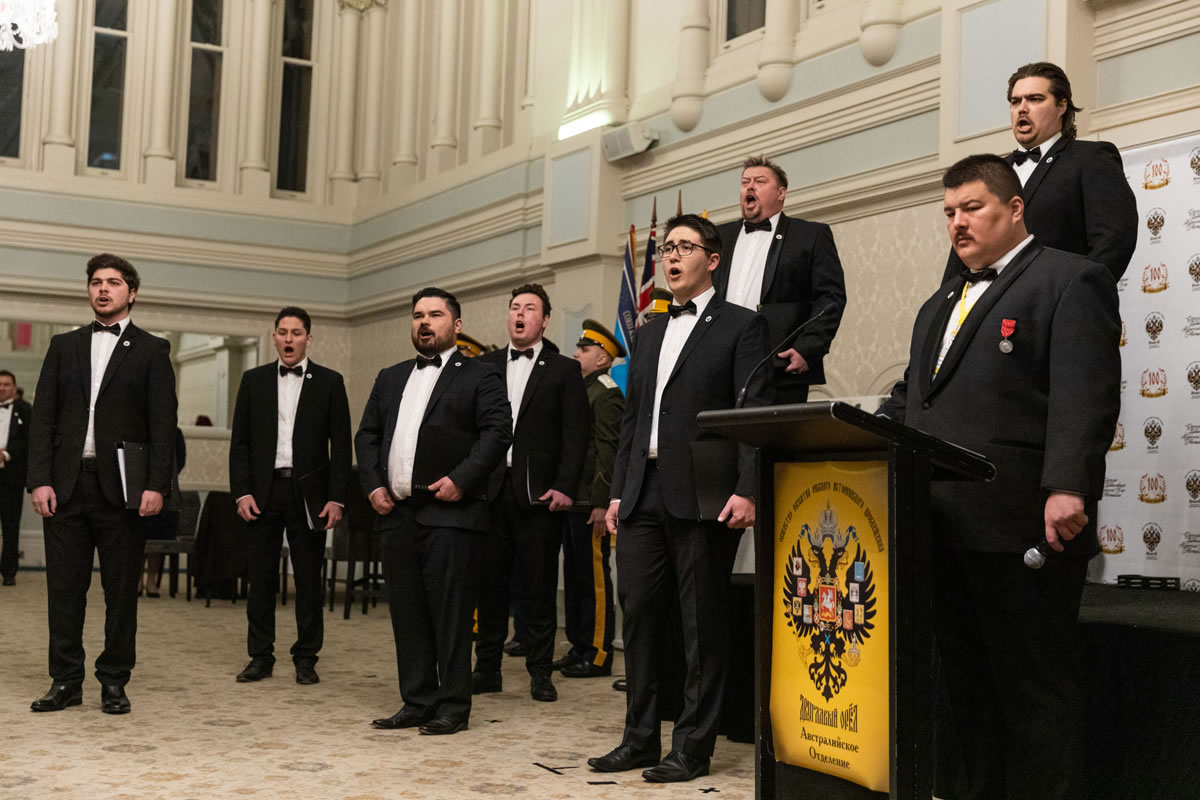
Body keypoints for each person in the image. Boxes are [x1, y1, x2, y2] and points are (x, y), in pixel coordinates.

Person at [879, 154, 1121, 799]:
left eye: (972, 208)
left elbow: (1085, 395)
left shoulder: (1071, 279)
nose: (957, 223)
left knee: (1033, 690)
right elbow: (914, 400)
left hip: (1022, 524)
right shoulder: (938, 303)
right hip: (941, 524)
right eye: (949, 212)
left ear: (1015, 208)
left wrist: (1068, 485)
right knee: (966, 687)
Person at [589, 214, 770, 783]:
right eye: (668, 247)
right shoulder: (646, 334)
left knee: (701, 624)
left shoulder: (742, 325)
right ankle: (639, 738)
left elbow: (751, 413)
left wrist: (748, 488)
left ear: (712, 260)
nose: (671, 256)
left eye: (684, 247)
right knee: (640, 617)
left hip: (702, 493)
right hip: (640, 493)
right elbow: (633, 422)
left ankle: (693, 746)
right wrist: (617, 495)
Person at [355, 287, 510, 735]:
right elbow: (367, 436)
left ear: (456, 325)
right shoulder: (390, 377)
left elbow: (498, 432)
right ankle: (417, 700)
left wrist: (461, 479)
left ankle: (453, 707)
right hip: (397, 513)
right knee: (407, 613)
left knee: (451, 616)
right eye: (418, 315)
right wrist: (373, 486)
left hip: (451, 514)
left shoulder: (480, 375)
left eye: (435, 315)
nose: (424, 322)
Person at [27, 254, 178, 714]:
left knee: (120, 593)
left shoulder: (152, 350)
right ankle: (65, 681)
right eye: (96, 282)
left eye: (113, 282)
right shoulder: (63, 345)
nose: (103, 289)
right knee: (64, 592)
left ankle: (114, 680)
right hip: (66, 487)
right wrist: (39, 480)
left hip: (124, 491)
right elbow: (43, 418)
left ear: (132, 292)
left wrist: (156, 485)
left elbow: (162, 424)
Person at [471, 283, 589, 703]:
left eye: (529, 308)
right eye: (515, 307)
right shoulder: (483, 366)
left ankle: (540, 672)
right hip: (489, 494)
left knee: (538, 589)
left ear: (545, 319)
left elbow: (576, 435)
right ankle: (486, 669)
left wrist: (565, 487)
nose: (520, 314)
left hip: (539, 497)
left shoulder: (564, 370)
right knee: (489, 588)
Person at [229, 306, 352, 686]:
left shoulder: (330, 382)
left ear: (308, 339)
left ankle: (306, 657)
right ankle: (259, 656)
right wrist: (241, 492)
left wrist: (336, 498)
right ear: (274, 337)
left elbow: (341, 446)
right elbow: (240, 444)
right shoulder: (253, 380)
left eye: (296, 333)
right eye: (282, 332)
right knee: (260, 579)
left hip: (309, 494)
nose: (288, 339)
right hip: (262, 491)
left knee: (309, 580)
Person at [940, 62, 1137, 284]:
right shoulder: (989, 173)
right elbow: (963, 250)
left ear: (1062, 106)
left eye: (1035, 99)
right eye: (1015, 101)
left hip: (1056, 299)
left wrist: (1076, 294)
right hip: (989, 302)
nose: (1022, 109)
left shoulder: (1090, 158)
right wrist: (947, 302)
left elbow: (1114, 240)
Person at [714, 155, 846, 404]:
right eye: (745, 182)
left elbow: (830, 298)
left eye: (760, 181)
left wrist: (808, 347)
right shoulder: (719, 237)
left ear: (781, 193)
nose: (750, 187)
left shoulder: (810, 235)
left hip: (779, 364)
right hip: (721, 362)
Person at [553, 320, 625, 679]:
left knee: (595, 580)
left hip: (591, 502)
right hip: (574, 499)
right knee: (576, 576)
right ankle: (579, 645)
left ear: (602, 359)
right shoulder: (581, 389)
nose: (576, 353)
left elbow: (608, 451)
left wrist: (601, 502)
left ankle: (598, 652)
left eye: (584, 350)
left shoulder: (607, 393)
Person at [140, 427, 187, 597]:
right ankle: (138, 579)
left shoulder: (175, 433)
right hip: (139, 487)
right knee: (139, 538)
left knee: (158, 539)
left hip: (166, 489)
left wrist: (162, 476)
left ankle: (151, 580)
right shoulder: (141, 428)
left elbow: (180, 461)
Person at [0, 369, 32, 585]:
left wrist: (6, 454)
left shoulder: (25, 409)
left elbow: (29, 439)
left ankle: (9, 572)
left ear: (14, 387)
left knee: (11, 526)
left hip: (11, 478)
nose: (2, 388)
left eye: (6, 384)